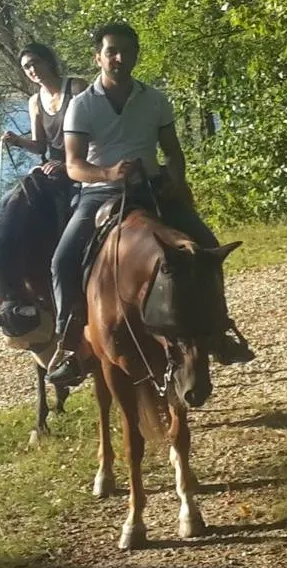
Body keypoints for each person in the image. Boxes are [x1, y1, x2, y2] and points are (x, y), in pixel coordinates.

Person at [45, 21, 254, 386]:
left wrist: (176, 180)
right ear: (98, 58)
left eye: (126, 51)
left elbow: (172, 151)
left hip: (152, 189)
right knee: (62, 260)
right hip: (100, 194)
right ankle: (71, 345)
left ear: (136, 55)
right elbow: (74, 165)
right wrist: (108, 173)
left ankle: (219, 331)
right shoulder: (81, 105)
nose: (119, 58)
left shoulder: (155, 99)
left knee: (207, 248)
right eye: (111, 51)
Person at [1, 43, 88, 167]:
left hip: (82, 163)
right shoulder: (35, 102)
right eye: (27, 67)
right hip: (54, 166)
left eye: (36, 62)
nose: (33, 69)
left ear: (48, 62)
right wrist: (17, 140)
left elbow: (96, 133)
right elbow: (40, 147)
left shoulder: (76, 88)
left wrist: (67, 166)